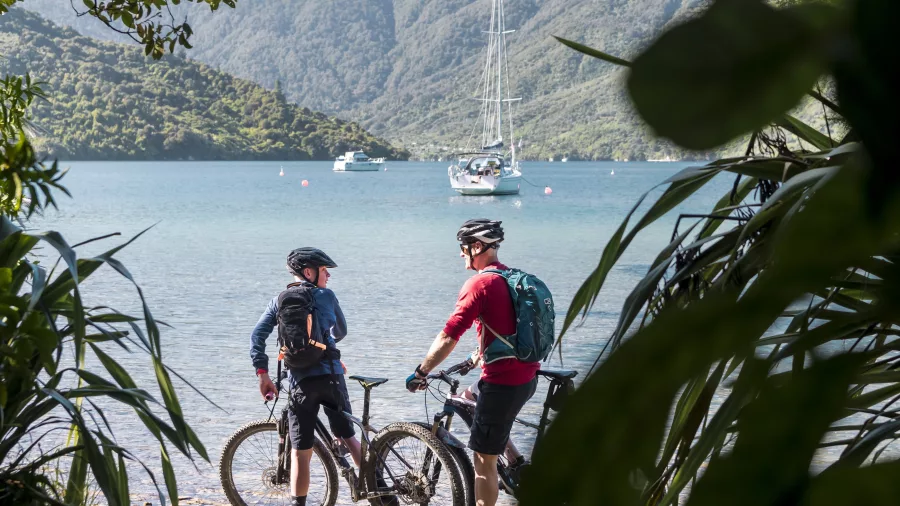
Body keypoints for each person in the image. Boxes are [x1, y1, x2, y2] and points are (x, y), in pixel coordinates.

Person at [405, 219, 539, 506]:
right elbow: (506, 328)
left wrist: (421, 371)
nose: (461, 253)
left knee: (483, 464)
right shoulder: (512, 278)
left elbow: (449, 336)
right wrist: (476, 356)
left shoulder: (479, 284)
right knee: (467, 397)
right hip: (527, 375)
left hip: (502, 383)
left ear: (477, 247)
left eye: (463, 248)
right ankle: (516, 463)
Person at [250, 247, 360, 506]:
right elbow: (341, 331)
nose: (328, 277)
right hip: (331, 377)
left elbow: (257, 336)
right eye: (325, 271)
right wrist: (324, 343)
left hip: (300, 382)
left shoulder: (279, 300)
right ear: (308, 272)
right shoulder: (326, 296)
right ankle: (381, 490)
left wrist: (262, 374)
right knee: (348, 436)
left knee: (301, 452)